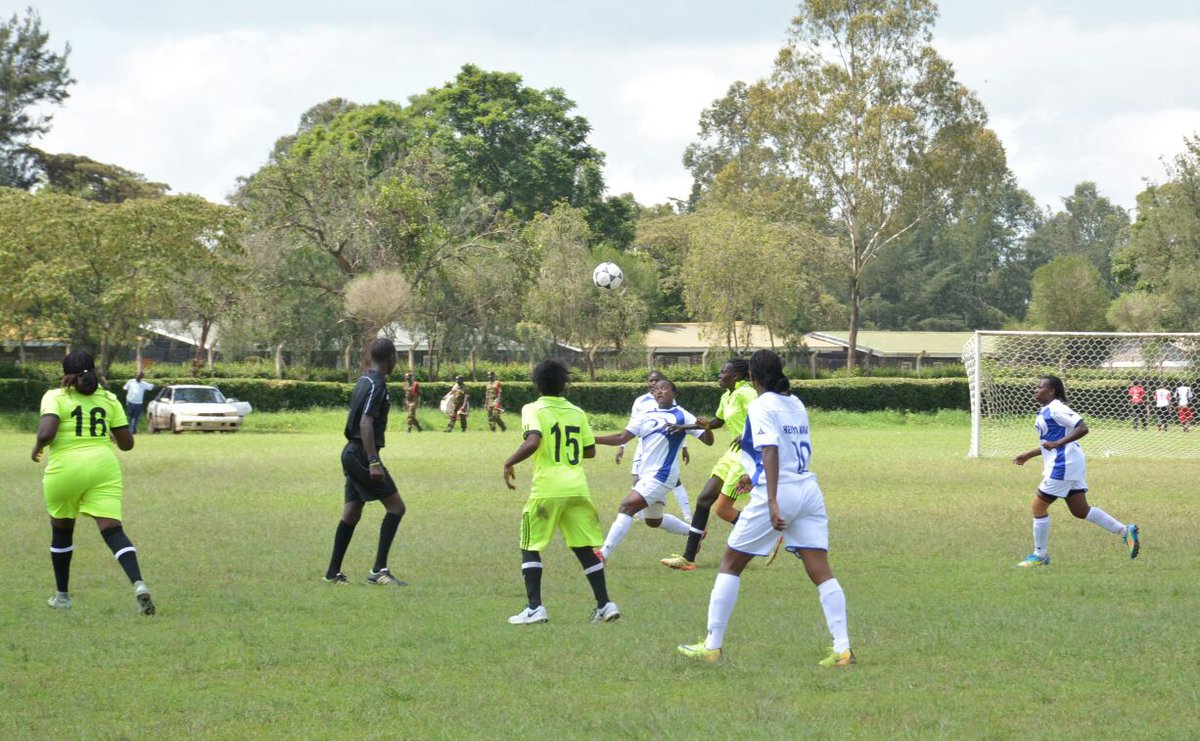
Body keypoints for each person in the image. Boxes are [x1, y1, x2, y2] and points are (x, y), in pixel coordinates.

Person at [677, 350, 853, 667]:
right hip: (808, 490)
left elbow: (770, 450)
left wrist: (771, 500)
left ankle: (712, 646)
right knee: (821, 572)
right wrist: (751, 475)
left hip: (781, 490)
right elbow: (780, 449)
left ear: (753, 378)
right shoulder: (796, 403)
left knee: (730, 562)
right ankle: (843, 649)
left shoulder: (760, 405)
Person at [32, 351, 155, 615]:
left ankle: (62, 596)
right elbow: (127, 444)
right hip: (104, 468)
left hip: (66, 469)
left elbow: (46, 432)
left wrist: (37, 447)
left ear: (65, 374)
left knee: (62, 530)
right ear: (94, 370)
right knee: (113, 530)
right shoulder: (109, 399)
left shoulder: (55, 396)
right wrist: (109, 433)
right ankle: (138, 583)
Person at [503, 359, 619, 624]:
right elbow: (589, 450)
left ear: (536, 384)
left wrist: (509, 461)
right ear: (563, 384)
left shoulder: (533, 408)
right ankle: (605, 605)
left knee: (529, 544)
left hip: (548, 489)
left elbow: (533, 441)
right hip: (577, 488)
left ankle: (534, 608)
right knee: (583, 548)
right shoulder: (577, 412)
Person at [1012, 375, 1140, 568]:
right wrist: (1030, 454)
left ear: (1052, 391)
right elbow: (1051, 442)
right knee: (1081, 511)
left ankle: (1040, 555)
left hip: (1064, 464)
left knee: (1038, 507)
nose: (1035, 390)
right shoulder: (1046, 410)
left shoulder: (1057, 408)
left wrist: (1058, 444)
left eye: (1040, 387)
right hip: (1068, 462)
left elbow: (1082, 428)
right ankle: (1125, 531)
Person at [594, 380, 713, 564]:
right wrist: (592, 439)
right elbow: (621, 437)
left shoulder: (682, 415)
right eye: (656, 389)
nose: (658, 392)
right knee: (653, 520)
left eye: (663, 388)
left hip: (663, 475)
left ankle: (603, 554)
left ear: (674, 393)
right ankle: (695, 534)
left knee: (627, 506)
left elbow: (708, 440)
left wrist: (708, 428)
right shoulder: (645, 414)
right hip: (646, 474)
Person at [324, 338, 408, 586]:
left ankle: (333, 573)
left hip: (352, 453)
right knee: (396, 507)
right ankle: (379, 570)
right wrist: (373, 461)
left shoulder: (363, 380)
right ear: (392, 358)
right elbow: (365, 422)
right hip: (362, 454)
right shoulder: (377, 385)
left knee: (351, 512)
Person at [661, 358, 758, 571]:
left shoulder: (746, 393)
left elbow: (761, 415)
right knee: (704, 500)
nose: (719, 375)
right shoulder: (727, 395)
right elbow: (718, 422)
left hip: (746, 457)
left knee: (723, 510)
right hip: (731, 456)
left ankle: (763, 534)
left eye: (723, 372)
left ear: (736, 376)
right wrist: (686, 427)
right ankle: (688, 559)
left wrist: (746, 433)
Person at [616, 370, 692, 520]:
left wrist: (684, 447)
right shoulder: (640, 401)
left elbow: (679, 423)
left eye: (656, 380)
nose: (653, 383)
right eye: (650, 380)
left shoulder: (668, 400)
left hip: (663, 445)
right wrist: (622, 446)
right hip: (643, 445)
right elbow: (630, 426)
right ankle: (637, 513)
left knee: (674, 480)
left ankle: (687, 514)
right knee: (637, 476)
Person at [121, 370, 155, 435]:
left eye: (139, 376)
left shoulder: (143, 384)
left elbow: (151, 387)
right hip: (130, 402)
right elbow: (125, 388)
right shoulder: (130, 382)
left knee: (135, 417)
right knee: (130, 416)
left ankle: (132, 430)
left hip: (139, 403)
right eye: (136, 375)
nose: (137, 377)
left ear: (142, 377)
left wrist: (162, 385)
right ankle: (132, 429)